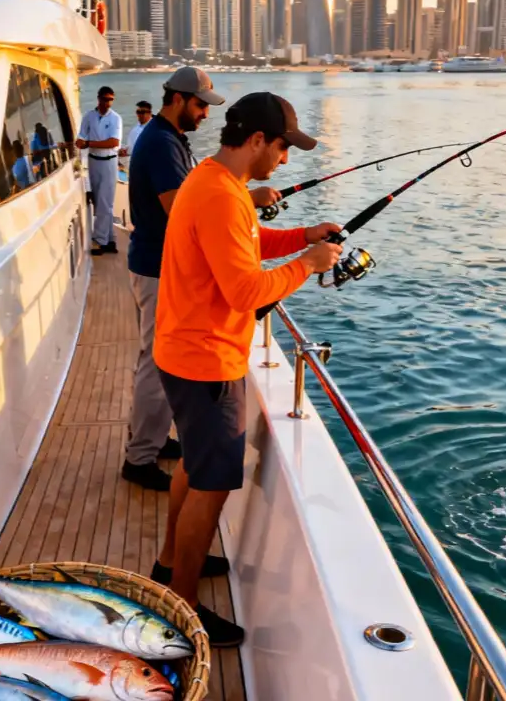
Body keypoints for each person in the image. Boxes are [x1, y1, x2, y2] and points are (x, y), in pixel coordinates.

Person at [150, 92, 342, 646]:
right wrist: (306, 265)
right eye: (282, 147)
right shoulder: (218, 194)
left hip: (184, 351)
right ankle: (181, 608)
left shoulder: (216, 182)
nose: (284, 159)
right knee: (210, 485)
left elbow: (248, 243)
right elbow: (244, 291)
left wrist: (301, 237)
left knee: (192, 461)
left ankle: (169, 563)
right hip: (207, 361)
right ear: (257, 140)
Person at [124, 68, 283, 492]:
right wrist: (246, 197)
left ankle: (156, 440)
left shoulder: (169, 140)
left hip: (164, 266)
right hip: (159, 268)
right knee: (156, 364)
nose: (205, 115)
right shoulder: (159, 143)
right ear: (176, 99)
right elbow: (182, 205)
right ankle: (139, 456)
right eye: (199, 105)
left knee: (158, 362)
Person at [75, 86, 122, 255]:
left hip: (109, 162)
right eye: (105, 99)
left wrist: (88, 144)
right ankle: (110, 239)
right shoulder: (89, 116)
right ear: (99, 99)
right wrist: (80, 143)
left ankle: (100, 240)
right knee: (101, 202)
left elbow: (113, 142)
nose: (108, 103)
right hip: (94, 161)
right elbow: (82, 136)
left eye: (111, 100)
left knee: (103, 202)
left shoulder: (116, 118)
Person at [119, 100, 152, 171]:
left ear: (150, 113)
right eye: (138, 112)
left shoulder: (152, 129)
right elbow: (131, 144)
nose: (139, 115)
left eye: (142, 112)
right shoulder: (138, 125)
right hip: (131, 157)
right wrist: (124, 150)